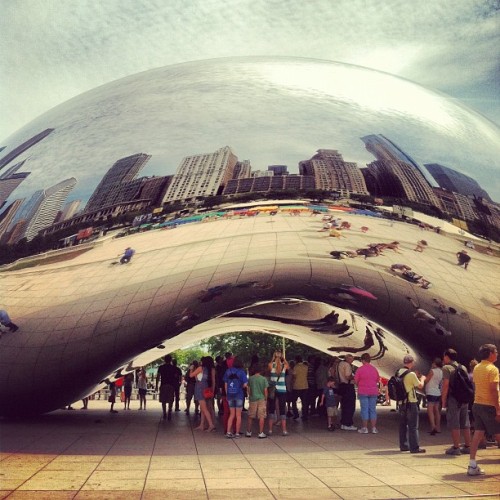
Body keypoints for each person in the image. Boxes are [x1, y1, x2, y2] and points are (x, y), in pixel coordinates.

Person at [467, 344, 500, 476]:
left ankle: (472, 464)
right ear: (490, 354)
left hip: (477, 404)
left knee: (477, 435)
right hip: (489, 406)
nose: (497, 353)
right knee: (498, 434)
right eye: (495, 351)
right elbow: (494, 390)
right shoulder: (493, 369)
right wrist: (497, 409)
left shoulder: (477, 368)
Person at [441, 348, 472, 455]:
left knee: (455, 423)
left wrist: (443, 400)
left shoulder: (446, 368)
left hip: (453, 398)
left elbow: (445, 385)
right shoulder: (462, 367)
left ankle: (456, 447)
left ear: (446, 356)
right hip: (464, 398)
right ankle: (468, 446)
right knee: (465, 422)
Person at [397, 355, 426, 453]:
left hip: (401, 402)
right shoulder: (411, 374)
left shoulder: (398, 372)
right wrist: (422, 378)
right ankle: (414, 448)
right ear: (411, 363)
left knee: (402, 425)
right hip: (411, 402)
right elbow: (420, 386)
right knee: (413, 426)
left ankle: (403, 445)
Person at [354, 352, 380, 434]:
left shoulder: (360, 369)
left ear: (363, 360)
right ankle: (373, 428)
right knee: (372, 410)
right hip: (373, 391)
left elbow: (355, 380)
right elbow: (377, 379)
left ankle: (365, 428)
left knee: (364, 409)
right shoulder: (374, 369)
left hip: (363, 391)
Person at [223, 356, 248, 438]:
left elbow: (225, 384)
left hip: (230, 395)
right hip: (239, 395)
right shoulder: (242, 372)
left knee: (231, 414)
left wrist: (227, 394)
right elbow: (245, 384)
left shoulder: (228, 371)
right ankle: (237, 433)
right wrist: (240, 387)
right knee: (238, 415)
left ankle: (228, 432)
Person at [190, 357, 216, 432]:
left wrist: (191, 368)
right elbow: (213, 381)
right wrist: (212, 391)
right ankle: (202, 425)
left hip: (200, 389)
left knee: (204, 408)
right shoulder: (212, 369)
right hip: (207, 389)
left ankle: (211, 425)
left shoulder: (200, 368)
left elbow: (191, 376)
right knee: (202, 408)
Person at [268, 349, 289, 436]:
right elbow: (288, 365)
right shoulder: (284, 366)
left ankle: (270, 430)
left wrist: (274, 358)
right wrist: (283, 358)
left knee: (272, 409)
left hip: (273, 389)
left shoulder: (270, 365)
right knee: (282, 409)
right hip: (282, 389)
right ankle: (284, 430)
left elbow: (270, 364)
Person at [245, 363, 268, 438]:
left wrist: (250, 395)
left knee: (250, 416)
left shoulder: (251, 379)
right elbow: (265, 390)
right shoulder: (263, 379)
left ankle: (248, 432)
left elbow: (248, 389)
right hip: (261, 399)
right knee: (261, 416)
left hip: (253, 399)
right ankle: (260, 433)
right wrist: (266, 399)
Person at [424, 357, 443, 435]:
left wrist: (422, 377)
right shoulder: (441, 372)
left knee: (430, 410)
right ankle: (438, 427)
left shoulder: (432, 371)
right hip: (437, 392)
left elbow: (426, 380)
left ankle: (433, 426)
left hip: (431, 392)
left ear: (435, 364)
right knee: (437, 410)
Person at [338, 354, 357, 431]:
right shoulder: (347, 365)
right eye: (352, 359)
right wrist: (355, 377)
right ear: (348, 359)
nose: (352, 361)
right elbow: (347, 376)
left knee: (344, 405)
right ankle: (348, 423)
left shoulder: (340, 364)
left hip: (342, 386)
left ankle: (343, 423)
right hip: (348, 386)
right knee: (350, 406)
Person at [156, 354, 177, 420]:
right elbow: (176, 377)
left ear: (164, 360)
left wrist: (156, 385)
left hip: (163, 385)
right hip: (171, 385)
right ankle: (169, 411)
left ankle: (164, 412)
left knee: (163, 400)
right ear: (171, 360)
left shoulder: (161, 367)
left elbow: (158, 377)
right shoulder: (173, 368)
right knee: (171, 400)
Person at [292, 355, 309, 421]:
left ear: (296, 360)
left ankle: (296, 414)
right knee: (304, 402)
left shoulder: (296, 367)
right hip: (305, 385)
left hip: (296, 386)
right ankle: (305, 415)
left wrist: (292, 384)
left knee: (294, 401)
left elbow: (294, 376)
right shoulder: (306, 367)